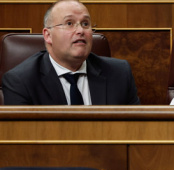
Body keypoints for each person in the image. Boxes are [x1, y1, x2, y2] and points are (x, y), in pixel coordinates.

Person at [2, 0, 140, 105]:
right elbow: (24, 139)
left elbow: (135, 131)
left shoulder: (119, 74)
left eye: (85, 24)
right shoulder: (21, 81)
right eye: (69, 23)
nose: (80, 31)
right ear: (48, 35)